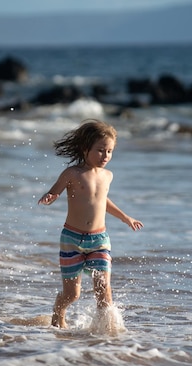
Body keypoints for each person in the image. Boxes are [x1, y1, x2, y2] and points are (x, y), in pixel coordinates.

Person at [38, 119, 143, 328]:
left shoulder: (107, 176)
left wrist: (125, 217)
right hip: (72, 240)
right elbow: (54, 191)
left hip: (99, 239)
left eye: (110, 151)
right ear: (85, 148)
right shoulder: (72, 173)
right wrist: (50, 197)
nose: (106, 156)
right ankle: (58, 315)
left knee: (104, 290)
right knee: (72, 294)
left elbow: (103, 201)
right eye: (101, 150)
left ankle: (107, 332)